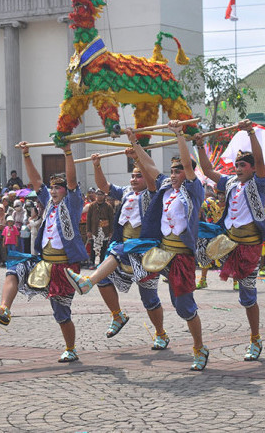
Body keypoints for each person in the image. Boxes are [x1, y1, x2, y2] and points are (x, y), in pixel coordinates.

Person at [0, 141, 89, 363]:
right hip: (44, 261)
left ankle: (70, 348)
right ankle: (4, 310)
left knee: (61, 313)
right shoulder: (48, 201)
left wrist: (67, 151)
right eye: (52, 188)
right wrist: (26, 154)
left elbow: (71, 180)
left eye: (58, 187)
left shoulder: (74, 202)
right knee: (14, 269)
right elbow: (37, 182)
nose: (54, 190)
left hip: (65, 267)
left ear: (66, 191)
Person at [65, 146, 169, 349]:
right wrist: (97, 165)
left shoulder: (152, 193)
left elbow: (150, 180)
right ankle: (116, 314)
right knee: (104, 277)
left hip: (145, 251)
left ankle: (161, 334)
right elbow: (103, 185)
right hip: (123, 247)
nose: (134, 179)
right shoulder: (126, 192)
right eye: (132, 176)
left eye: (138, 176)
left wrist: (138, 159)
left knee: (149, 298)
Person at [127, 120, 208, 370]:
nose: (173, 175)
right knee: (123, 255)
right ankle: (94, 280)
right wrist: (134, 142)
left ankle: (199, 347)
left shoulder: (194, 190)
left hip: (181, 257)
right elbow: (150, 166)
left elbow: (187, 163)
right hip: (161, 253)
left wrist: (179, 135)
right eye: (172, 172)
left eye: (178, 171)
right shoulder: (165, 187)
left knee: (183, 306)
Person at [195, 119, 265, 362]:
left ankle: (255, 338)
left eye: (242, 165)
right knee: (190, 243)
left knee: (247, 297)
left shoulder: (259, 184)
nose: (238, 168)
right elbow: (207, 171)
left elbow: (260, 162)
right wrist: (199, 145)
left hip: (249, 247)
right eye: (236, 165)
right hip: (227, 241)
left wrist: (250, 133)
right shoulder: (229, 183)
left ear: (251, 168)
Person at [196, 187, 226, 289]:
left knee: (230, 257)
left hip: (226, 234)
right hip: (210, 233)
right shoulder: (210, 203)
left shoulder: (232, 205)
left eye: (224, 194)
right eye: (220, 194)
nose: (222, 197)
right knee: (203, 253)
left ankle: (236, 282)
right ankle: (203, 280)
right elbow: (199, 205)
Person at [86, 188, 114, 265]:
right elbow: (88, 219)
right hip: (94, 229)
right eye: (98, 194)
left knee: (104, 247)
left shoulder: (108, 206)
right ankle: (92, 262)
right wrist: (88, 230)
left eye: (101, 195)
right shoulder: (92, 206)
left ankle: (102, 263)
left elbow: (111, 219)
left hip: (105, 229)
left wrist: (111, 231)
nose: (99, 196)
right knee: (92, 246)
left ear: (104, 196)